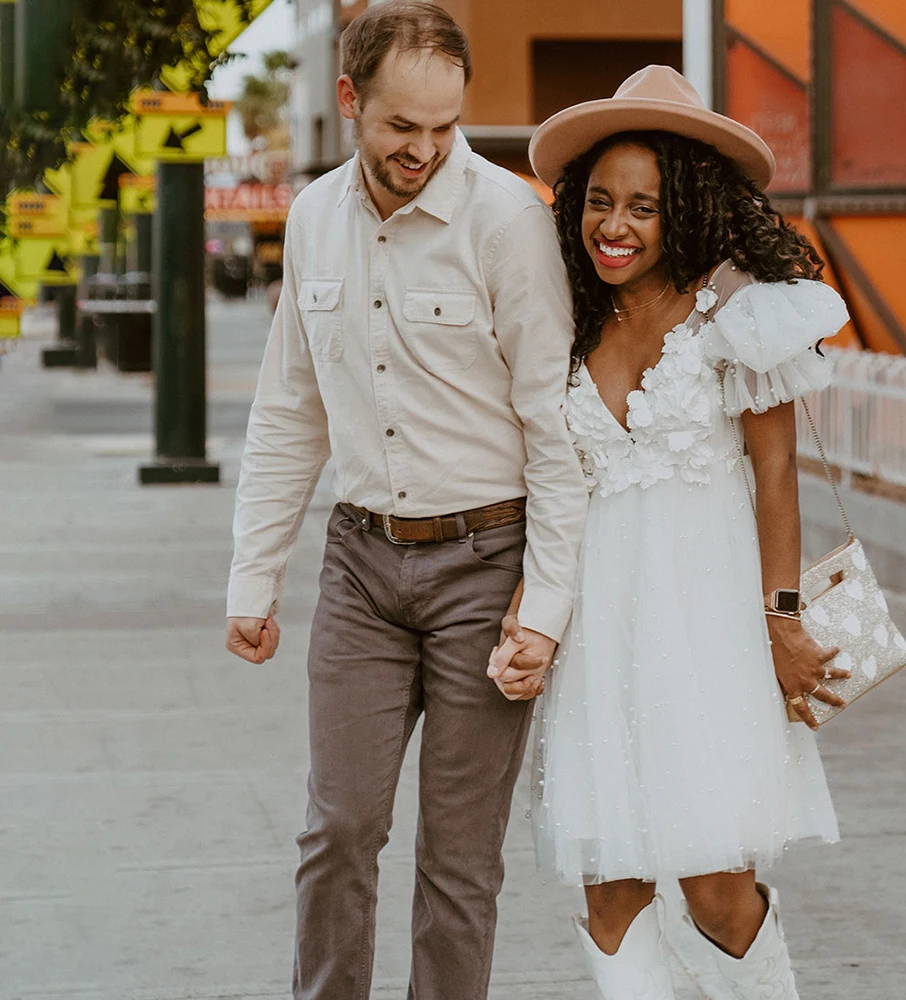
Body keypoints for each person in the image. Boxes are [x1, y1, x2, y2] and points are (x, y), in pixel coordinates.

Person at [224, 4, 588, 998]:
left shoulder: (509, 220)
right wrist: (251, 579)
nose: (424, 149)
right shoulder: (310, 218)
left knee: (458, 860)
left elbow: (554, 431)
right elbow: (289, 405)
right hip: (360, 565)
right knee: (336, 826)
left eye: (442, 126)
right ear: (350, 101)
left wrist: (545, 610)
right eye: (399, 127)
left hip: (486, 565)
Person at [490, 66, 852, 999]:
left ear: (684, 207)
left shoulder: (738, 318)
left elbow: (776, 475)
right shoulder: (564, 321)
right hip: (596, 632)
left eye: (642, 206)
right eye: (599, 202)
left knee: (717, 886)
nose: (615, 225)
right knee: (608, 892)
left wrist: (783, 621)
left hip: (709, 631)